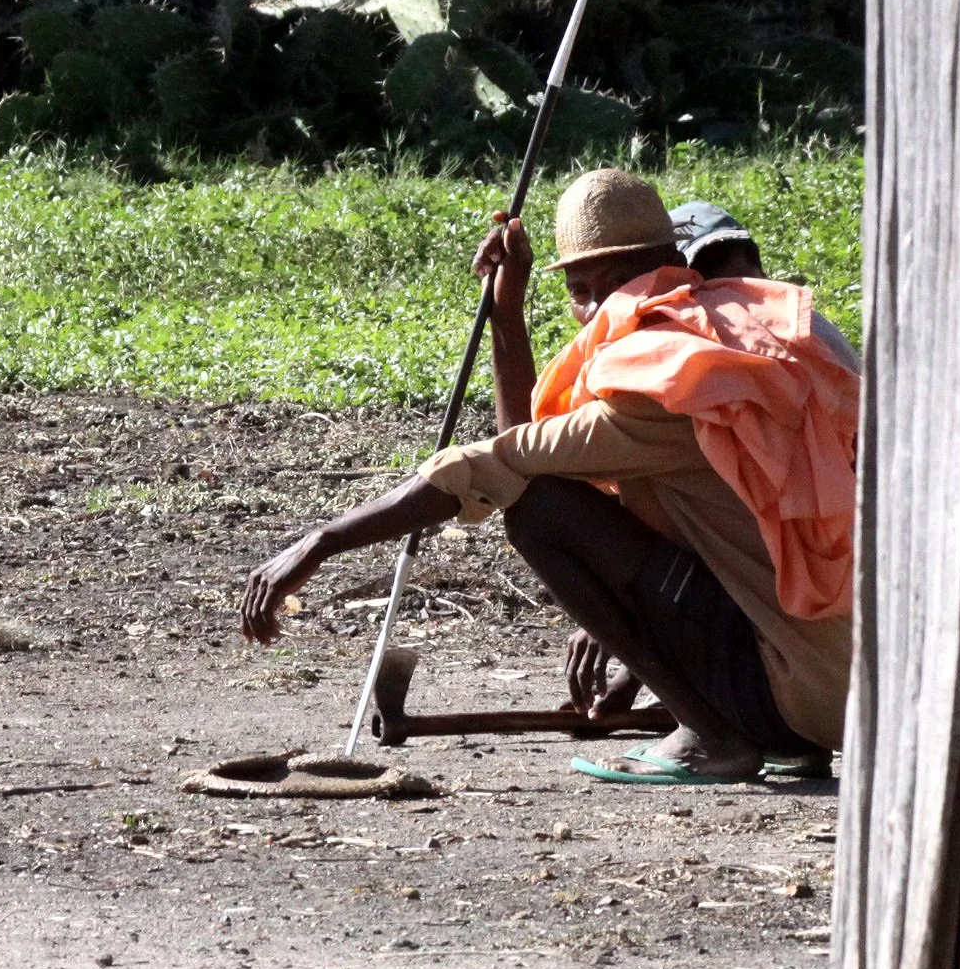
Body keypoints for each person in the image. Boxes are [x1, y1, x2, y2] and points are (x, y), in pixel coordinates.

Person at [240, 168, 857, 785]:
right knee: (550, 497)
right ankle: (726, 724)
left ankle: (715, 739)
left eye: (615, 284)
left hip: (793, 693)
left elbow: (504, 465)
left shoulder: (672, 383)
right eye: (581, 289)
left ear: (674, 264)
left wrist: (320, 542)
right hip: (841, 684)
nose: (594, 309)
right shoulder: (745, 335)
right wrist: (508, 315)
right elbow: (543, 451)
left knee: (539, 512)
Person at [670, 201, 860, 374]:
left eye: (741, 285)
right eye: (718, 289)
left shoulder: (808, 328)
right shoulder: (803, 321)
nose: (733, 299)